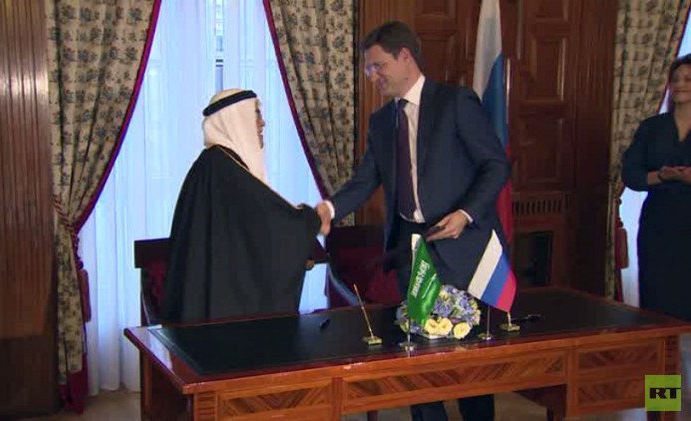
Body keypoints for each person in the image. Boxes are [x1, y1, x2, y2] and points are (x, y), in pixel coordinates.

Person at [316, 21, 509, 421]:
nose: (372, 76)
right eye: (369, 69)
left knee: (468, 363)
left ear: (405, 57)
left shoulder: (455, 103)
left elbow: (495, 165)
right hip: (411, 252)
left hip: (462, 247)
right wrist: (329, 210)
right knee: (417, 363)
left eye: (378, 66)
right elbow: (365, 180)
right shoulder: (381, 121)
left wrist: (466, 213)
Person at [160, 88, 320, 324]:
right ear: (235, 119)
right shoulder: (226, 169)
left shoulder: (217, 163)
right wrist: (310, 219)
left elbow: (254, 227)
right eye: (256, 114)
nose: (262, 123)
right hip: (224, 311)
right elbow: (274, 223)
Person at [621, 53, 691, 322]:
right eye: (676, 79)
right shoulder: (652, 127)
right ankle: (661, 350)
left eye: (688, 79)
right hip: (659, 223)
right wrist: (661, 176)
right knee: (658, 300)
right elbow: (631, 174)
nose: (680, 85)